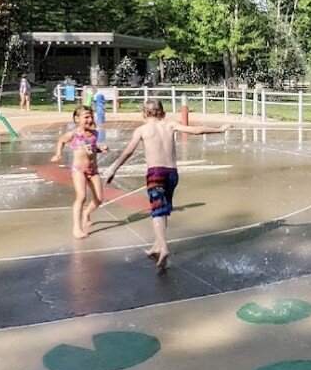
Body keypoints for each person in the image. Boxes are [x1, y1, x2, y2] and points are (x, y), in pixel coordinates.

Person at [106, 98, 229, 271]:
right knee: (164, 209)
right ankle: (157, 245)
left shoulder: (142, 130)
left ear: (143, 114)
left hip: (155, 174)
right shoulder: (170, 125)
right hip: (172, 174)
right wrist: (220, 130)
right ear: (163, 113)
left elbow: (128, 151)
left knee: (157, 211)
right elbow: (197, 130)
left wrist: (113, 168)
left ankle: (163, 248)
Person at [51, 107, 108, 239]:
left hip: (93, 171)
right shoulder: (73, 134)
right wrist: (58, 154)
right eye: (86, 117)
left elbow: (92, 149)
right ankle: (77, 228)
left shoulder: (94, 134)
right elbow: (61, 141)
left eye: (91, 117)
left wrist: (101, 149)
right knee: (81, 196)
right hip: (79, 170)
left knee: (99, 199)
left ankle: (86, 213)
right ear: (77, 119)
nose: (90, 120)